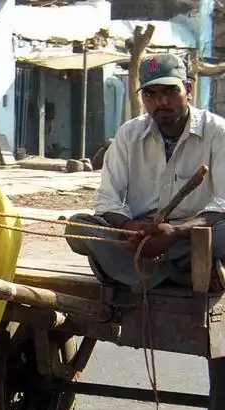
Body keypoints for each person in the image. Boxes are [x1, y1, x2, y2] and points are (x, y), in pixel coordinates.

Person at [65, 52, 225, 292]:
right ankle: (177, 273)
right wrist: (131, 227)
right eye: (150, 94)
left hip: (190, 233)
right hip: (140, 236)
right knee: (78, 227)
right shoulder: (129, 134)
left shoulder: (217, 132)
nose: (161, 102)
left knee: (220, 234)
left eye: (170, 91)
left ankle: (135, 272)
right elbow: (107, 200)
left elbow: (223, 204)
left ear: (188, 89)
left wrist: (176, 232)